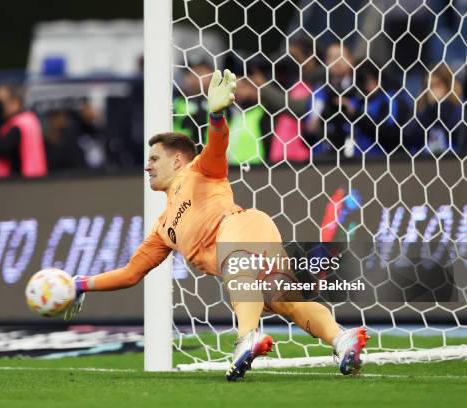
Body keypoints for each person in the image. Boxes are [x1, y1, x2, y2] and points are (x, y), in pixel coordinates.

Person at [62, 69, 368, 381]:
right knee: (287, 303)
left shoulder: (200, 171)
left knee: (238, 263)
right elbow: (130, 274)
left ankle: (246, 337)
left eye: (154, 159)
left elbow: (217, 144)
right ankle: (342, 339)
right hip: (245, 250)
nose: (147, 166)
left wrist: (218, 115)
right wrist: (81, 284)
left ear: (178, 161)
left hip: (244, 226)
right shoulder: (162, 228)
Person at [0, 83, 47, 178]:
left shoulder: (20, 123)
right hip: (35, 175)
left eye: (4, 103)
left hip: (21, 180)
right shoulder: (30, 120)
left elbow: (1, 149)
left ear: (16, 102)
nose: (3, 107)